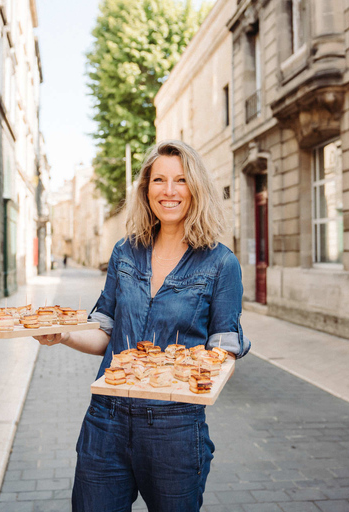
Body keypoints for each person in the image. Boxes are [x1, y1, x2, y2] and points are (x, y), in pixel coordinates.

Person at [35, 140, 251, 511]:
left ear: (196, 188)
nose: (169, 191)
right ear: (145, 188)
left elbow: (224, 350)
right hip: (106, 419)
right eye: (159, 180)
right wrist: (65, 334)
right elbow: (104, 329)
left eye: (181, 180)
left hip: (175, 427)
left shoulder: (220, 263)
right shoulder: (125, 251)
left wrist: (197, 377)